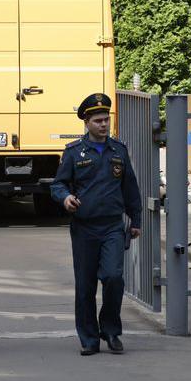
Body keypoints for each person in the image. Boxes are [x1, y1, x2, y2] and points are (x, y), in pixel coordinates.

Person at [51, 93, 142, 356]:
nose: (104, 125)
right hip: (84, 228)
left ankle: (111, 330)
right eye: (98, 121)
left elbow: (130, 187)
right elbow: (58, 184)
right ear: (87, 123)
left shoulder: (119, 150)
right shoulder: (74, 152)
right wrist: (65, 198)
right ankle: (89, 338)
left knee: (113, 278)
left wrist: (135, 220)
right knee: (85, 285)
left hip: (112, 226)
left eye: (106, 119)